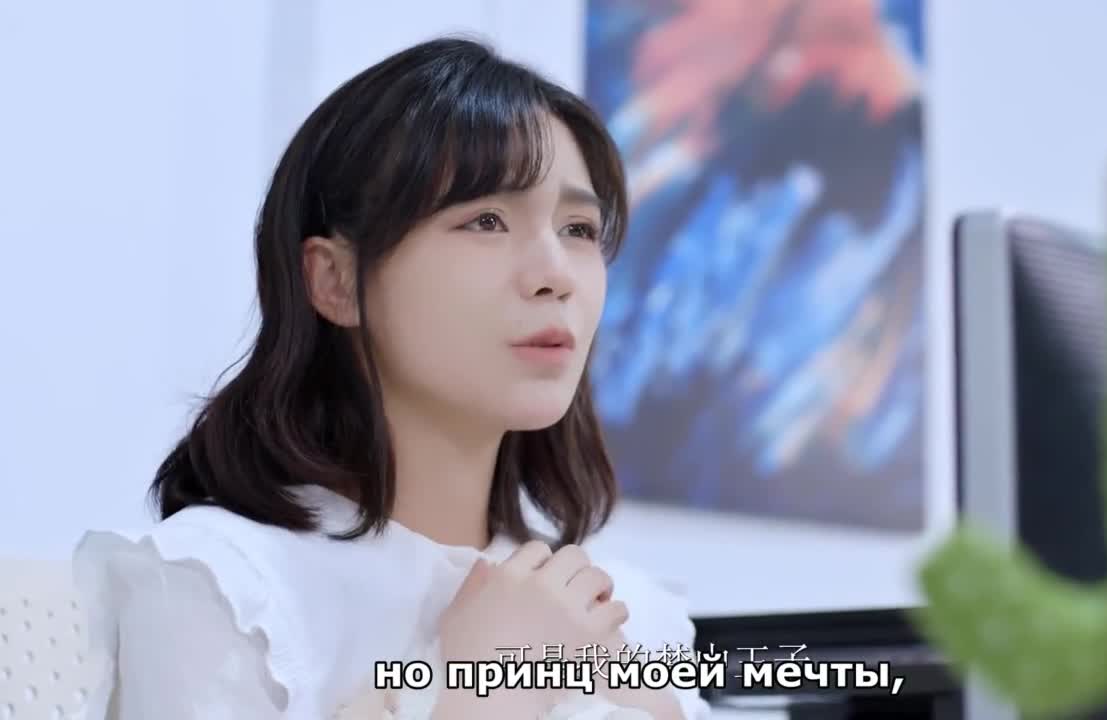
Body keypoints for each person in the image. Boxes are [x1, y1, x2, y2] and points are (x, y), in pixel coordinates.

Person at [71, 37, 711, 720]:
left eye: (579, 229)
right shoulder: (225, 586)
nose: (556, 274)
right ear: (335, 280)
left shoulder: (627, 611)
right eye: (486, 220)